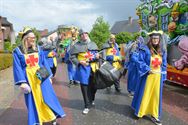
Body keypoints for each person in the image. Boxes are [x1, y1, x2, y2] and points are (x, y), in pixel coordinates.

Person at [13, 27, 65, 125]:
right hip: (29, 78)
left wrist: (48, 76)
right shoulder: (18, 51)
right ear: (25, 38)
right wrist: (22, 82)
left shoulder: (38, 48)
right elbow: (17, 67)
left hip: (41, 74)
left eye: (34, 38)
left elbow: (43, 62)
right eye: (31, 38)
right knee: (33, 100)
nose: (34, 39)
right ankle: (37, 120)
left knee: (47, 96)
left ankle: (52, 116)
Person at [131, 30, 167, 125]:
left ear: (159, 40)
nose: (155, 40)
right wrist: (147, 69)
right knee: (145, 94)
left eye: (157, 39)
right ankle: (140, 111)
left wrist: (163, 75)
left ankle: (155, 115)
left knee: (155, 96)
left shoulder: (162, 51)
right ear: (151, 39)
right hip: (148, 76)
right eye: (154, 38)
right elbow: (140, 61)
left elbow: (164, 64)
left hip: (157, 77)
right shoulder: (145, 49)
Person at [70, 29, 99, 114]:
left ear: (88, 34)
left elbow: (97, 55)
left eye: (85, 33)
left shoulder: (93, 44)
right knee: (84, 87)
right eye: (82, 34)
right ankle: (87, 105)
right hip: (83, 69)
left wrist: (98, 56)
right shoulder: (76, 46)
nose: (84, 35)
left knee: (94, 86)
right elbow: (72, 57)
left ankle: (92, 99)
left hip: (93, 67)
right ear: (80, 36)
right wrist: (79, 62)